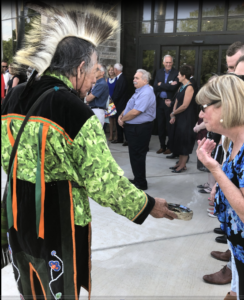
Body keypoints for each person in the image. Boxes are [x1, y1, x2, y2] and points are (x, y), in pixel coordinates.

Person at [1, 3, 177, 299]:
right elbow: (104, 182)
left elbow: (7, 155)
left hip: (18, 214)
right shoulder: (74, 110)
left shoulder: (16, 95)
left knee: (29, 286)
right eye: (95, 68)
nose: (98, 75)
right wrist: (147, 204)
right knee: (60, 290)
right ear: (80, 67)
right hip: (57, 221)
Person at [196, 74, 244, 300]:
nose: (201, 114)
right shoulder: (234, 141)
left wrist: (215, 171)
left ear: (226, 105)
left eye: (205, 107)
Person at [118, 69, 156, 190]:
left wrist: (123, 119)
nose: (134, 80)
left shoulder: (146, 93)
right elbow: (131, 106)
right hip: (134, 128)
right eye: (134, 77)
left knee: (138, 155)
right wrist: (122, 115)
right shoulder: (139, 91)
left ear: (145, 80)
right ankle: (138, 179)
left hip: (140, 129)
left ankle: (141, 183)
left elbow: (135, 112)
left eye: (137, 78)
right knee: (134, 155)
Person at [168, 65, 195, 173]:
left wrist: (174, 112)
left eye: (179, 74)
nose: (177, 76)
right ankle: (179, 163)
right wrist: (173, 114)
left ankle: (183, 165)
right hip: (179, 117)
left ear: (184, 76)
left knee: (184, 141)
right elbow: (177, 101)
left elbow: (185, 105)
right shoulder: (181, 86)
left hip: (187, 118)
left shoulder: (190, 87)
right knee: (179, 140)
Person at [153, 55, 180, 156]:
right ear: (163, 63)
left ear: (172, 63)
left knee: (170, 126)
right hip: (160, 102)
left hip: (170, 103)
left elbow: (174, 88)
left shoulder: (176, 73)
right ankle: (162, 146)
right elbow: (155, 86)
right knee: (160, 125)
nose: (168, 64)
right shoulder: (159, 72)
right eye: (166, 62)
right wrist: (167, 85)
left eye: (170, 62)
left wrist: (161, 85)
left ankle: (170, 147)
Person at [111, 63, 128, 146]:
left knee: (122, 120)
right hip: (119, 103)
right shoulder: (119, 78)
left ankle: (126, 139)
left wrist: (112, 100)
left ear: (116, 70)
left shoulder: (122, 79)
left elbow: (119, 92)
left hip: (121, 104)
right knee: (118, 121)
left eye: (114, 69)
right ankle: (120, 138)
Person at [106, 64, 117, 141]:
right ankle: (111, 135)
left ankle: (116, 135)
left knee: (116, 119)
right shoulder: (106, 80)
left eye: (112, 70)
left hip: (115, 101)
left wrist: (113, 99)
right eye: (110, 70)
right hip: (109, 102)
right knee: (110, 119)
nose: (111, 71)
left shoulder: (117, 79)